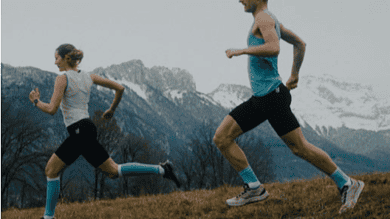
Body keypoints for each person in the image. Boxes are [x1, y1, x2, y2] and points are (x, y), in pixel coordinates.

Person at [213, 0, 364, 214]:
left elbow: (274, 48)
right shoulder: (271, 19)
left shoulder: (264, 18)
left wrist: (241, 51)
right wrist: (294, 74)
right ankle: (254, 188)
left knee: (300, 147)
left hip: (272, 98)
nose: (240, 0)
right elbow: (300, 43)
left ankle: (348, 183)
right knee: (221, 137)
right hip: (263, 98)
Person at [29, 44, 181, 219]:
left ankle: (48, 217)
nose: (55, 62)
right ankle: (162, 170)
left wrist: (36, 101)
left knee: (50, 170)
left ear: (66, 59)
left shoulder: (62, 78)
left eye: (57, 58)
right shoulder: (89, 76)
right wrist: (111, 110)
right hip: (87, 128)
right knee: (113, 171)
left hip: (79, 131)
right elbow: (120, 88)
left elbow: (52, 109)